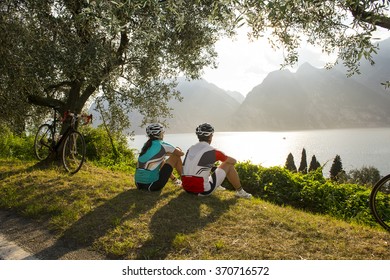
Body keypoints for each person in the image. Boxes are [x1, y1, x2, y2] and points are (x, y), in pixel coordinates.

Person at [181, 123, 252, 198]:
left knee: (204, 166)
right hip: (202, 191)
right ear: (210, 136)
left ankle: (216, 185)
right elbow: (233, 161)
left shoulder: (190, 149)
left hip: (186, 188)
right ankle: (241, 192)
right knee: (229, 165)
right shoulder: (213, 151)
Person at [135, 123, 184, 191]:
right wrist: (178, 149)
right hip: (152, 185)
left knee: (161, 160)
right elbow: (181, 154)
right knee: (176, 156)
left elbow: (159, 154)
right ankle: (186, 183)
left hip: (138, 184)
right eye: (163, 132)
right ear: (160, 134)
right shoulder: (163, 145)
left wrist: (167, 154)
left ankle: (175, 180)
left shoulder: (146, 145)